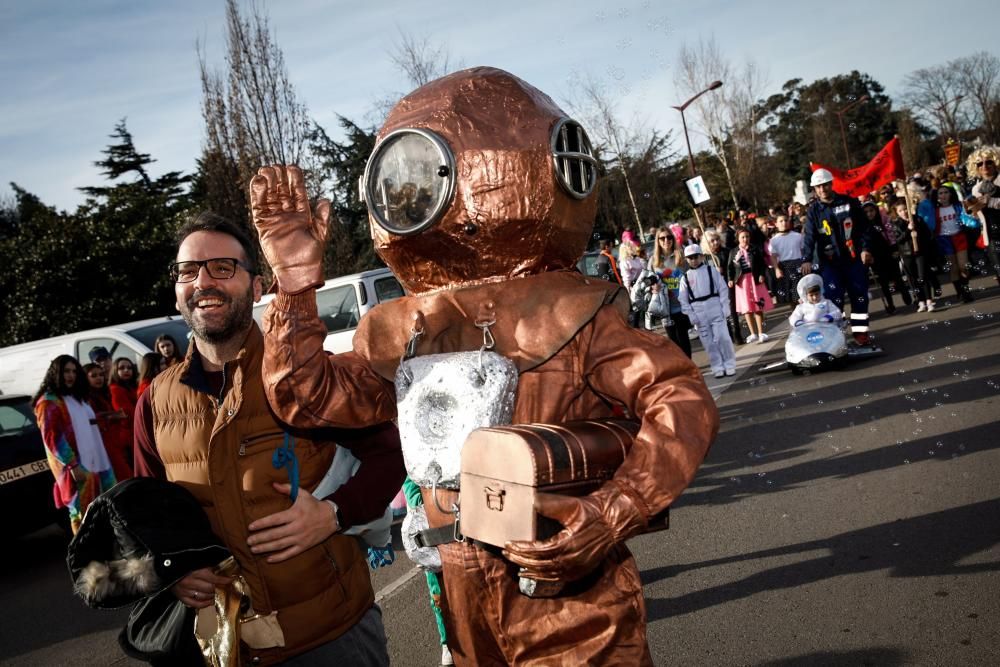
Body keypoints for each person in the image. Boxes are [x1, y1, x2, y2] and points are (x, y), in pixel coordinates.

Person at [251, 67, 717, 666]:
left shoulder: (575, 315)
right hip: (460, 591)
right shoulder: (414, 331)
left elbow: (679, 400)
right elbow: (305, 397)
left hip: (563, 590)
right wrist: (293, 288)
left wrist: (612, 512)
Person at [132, 213, 404, 666]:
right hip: (227, 647)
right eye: (188, 271)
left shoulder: (307, 376)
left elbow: (390, 454)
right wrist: (175, 570)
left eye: (222, 267)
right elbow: (149, 512)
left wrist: (334, 514)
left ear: (257, 288)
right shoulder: (154, 402)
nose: (203, 282)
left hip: (331, 637)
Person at [34, 355, 116, 533]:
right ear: (55, 373)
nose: (70, 375)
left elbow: (83, 424)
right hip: (76, 467)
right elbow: (53, 440)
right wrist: (73, 465)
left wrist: (106, 417)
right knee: (81, 515)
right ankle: (87, 559)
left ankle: (106, 554)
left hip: (98, 461)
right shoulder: (49, 402)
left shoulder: (75, 397)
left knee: (105, 511)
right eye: (65, 371)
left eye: (73, 371)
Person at [801, 168, 875, 345]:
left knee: (859, 296)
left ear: (831, 184)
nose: (822, 189)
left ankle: (860, 333)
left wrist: (865, 249)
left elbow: (864, 228)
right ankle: (836, 334)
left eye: (825, 185)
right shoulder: (813, 212)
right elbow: (810, 237)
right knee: (834, 300)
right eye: (818, 187)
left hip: (853, 260)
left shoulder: (849, 202)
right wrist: (807, 259)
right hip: (830, 264)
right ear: (814, 189)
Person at [678, 245, 736, 378]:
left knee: (723, 337)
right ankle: (717, 365)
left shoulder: (711, 271)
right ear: (686, 259)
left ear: (702, 256)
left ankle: (729, 363)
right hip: (698, 310)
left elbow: (722, 289)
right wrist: (690, 314)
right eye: (690, 258)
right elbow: (683, 299)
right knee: (708, 342)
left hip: (714, 306)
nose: (694, 260)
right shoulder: (685, 277)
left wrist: (725, 306)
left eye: (696, 256)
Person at [918, 184, 975, 303]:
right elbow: (924, 219)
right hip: (944, 240)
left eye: (946, 192)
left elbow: (969, 216)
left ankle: (966, 289)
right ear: (937, 196)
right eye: (940, 193)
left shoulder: (958, 206)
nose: (943, 195)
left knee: (963, 266)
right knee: (953, 268)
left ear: (950, 194)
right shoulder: (934, 210)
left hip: (959, 237)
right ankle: (961, 292)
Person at [83, 362, 132, 481]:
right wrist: (110, 417)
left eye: (101, 375)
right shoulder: (86, 398)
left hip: (116, 442)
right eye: (93, 376)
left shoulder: (104, 393)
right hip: (103, 446)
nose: (99, 378)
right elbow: (89, 421)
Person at [861, 199, 912, 314]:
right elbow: (863, 241)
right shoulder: (863, 226)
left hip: (888, 251)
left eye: (871, 210)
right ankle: (890, 303)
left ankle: (904, 292)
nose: (869, 214)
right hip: (875, 255)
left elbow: (891, 234)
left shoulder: (883, 220)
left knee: (896, 276)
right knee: (883, 281)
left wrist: (894, 248)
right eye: (866, 212)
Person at [892, 199, 939, 312]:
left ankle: (929, 300)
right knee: (913, 279)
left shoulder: (917, 219)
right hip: (907, 254)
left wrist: (917, 232)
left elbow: (928, 234)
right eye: (900, 211)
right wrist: (908, 231)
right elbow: (897, 240)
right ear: (897, 212)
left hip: (920, 252)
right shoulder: (896, 224)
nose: (904, 212)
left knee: (923, 276)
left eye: (905, 209)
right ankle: (921, 301)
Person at [728, 228, 774, 343]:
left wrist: (762, 274)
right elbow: (730, 268)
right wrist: (730, 279)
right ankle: (752, 333)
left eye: (747, 237)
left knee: (758, 306)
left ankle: (760, 332)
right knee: (746, 308)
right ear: (738, 238)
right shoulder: (733, 252)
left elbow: (762, 264)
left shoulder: (755, 249)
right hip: (741, 281)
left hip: (754, 279)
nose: (745, 239)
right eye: (743, 237)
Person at [965, 146, 1000, 287]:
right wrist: (972, 211)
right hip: (991, 234)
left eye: (988, 162)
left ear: (996, 162)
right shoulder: (976, 188)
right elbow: (978, 214)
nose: (984, 166)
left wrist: (990, 201)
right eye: (980, 163)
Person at [702, 229, 745, 345]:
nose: (716, 242)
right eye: (712, 241)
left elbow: (733, 267)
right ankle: (728, 336)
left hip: (727, 284)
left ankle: (737, 334)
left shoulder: (727, 252)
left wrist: (726, 273)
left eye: (717, 240)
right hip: (713, 289)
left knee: (731, 310)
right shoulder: (705, 257)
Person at [767, 214, 804, 304]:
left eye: (786, 220)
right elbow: (773, 256)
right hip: (784, 268)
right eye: (781, 221)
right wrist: (776, 269)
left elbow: (803, 251)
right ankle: (796, 316)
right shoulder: (774, 240)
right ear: (776, 224)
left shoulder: (798, 236)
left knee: (802, 295)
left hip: (799, 266)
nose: (784, 223)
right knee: (790, 297)